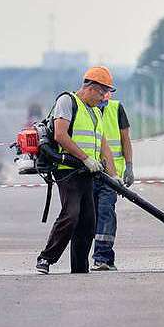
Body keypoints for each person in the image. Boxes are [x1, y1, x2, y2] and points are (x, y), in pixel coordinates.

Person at [35, 67, 117, 274]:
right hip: (67, 169)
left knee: (89, 221)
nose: (103, 98)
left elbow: (103, 145)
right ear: (90, 87)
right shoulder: (67, 102)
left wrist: (114, 177)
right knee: (71, 214)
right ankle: (46, 258)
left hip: (88, 173)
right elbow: (61, 135)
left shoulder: (96, 112)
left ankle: (80, 268)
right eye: (101, 93)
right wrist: (85, 158)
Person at [91, 93, 134, 271]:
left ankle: (102, 257)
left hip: (111, 176)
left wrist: (129, 166)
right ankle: (86, 259)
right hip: (88, 173)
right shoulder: (82, 109)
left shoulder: (116, 109)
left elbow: (125, 140)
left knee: (105, 212)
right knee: (88, 217)